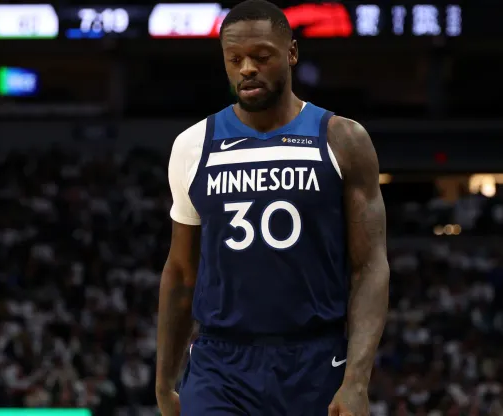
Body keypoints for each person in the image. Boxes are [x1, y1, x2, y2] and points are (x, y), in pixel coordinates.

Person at [155, 0, 389, 415]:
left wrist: (356, 379)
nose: (247, 68)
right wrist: (163, 381)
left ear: (292, 53)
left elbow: (369, 266)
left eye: (261, 57)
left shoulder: (343, 139)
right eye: (235, 59)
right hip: (219, 363)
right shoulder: (192, 144)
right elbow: (180, 271)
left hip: (315, 360)